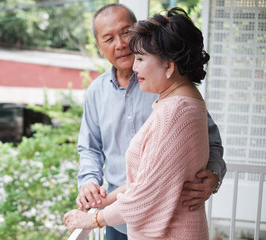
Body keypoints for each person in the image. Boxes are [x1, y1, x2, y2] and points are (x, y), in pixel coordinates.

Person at [69, 4, 226, 239]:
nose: (120, 44)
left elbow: (208, 140)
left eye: (125, 32)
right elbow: (89, 148)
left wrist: (213, 175)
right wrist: (92, 186)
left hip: (158, 222)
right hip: (117, 217)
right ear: (100, 47)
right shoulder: (96, 92)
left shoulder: (171, 90)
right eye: (108, 38)